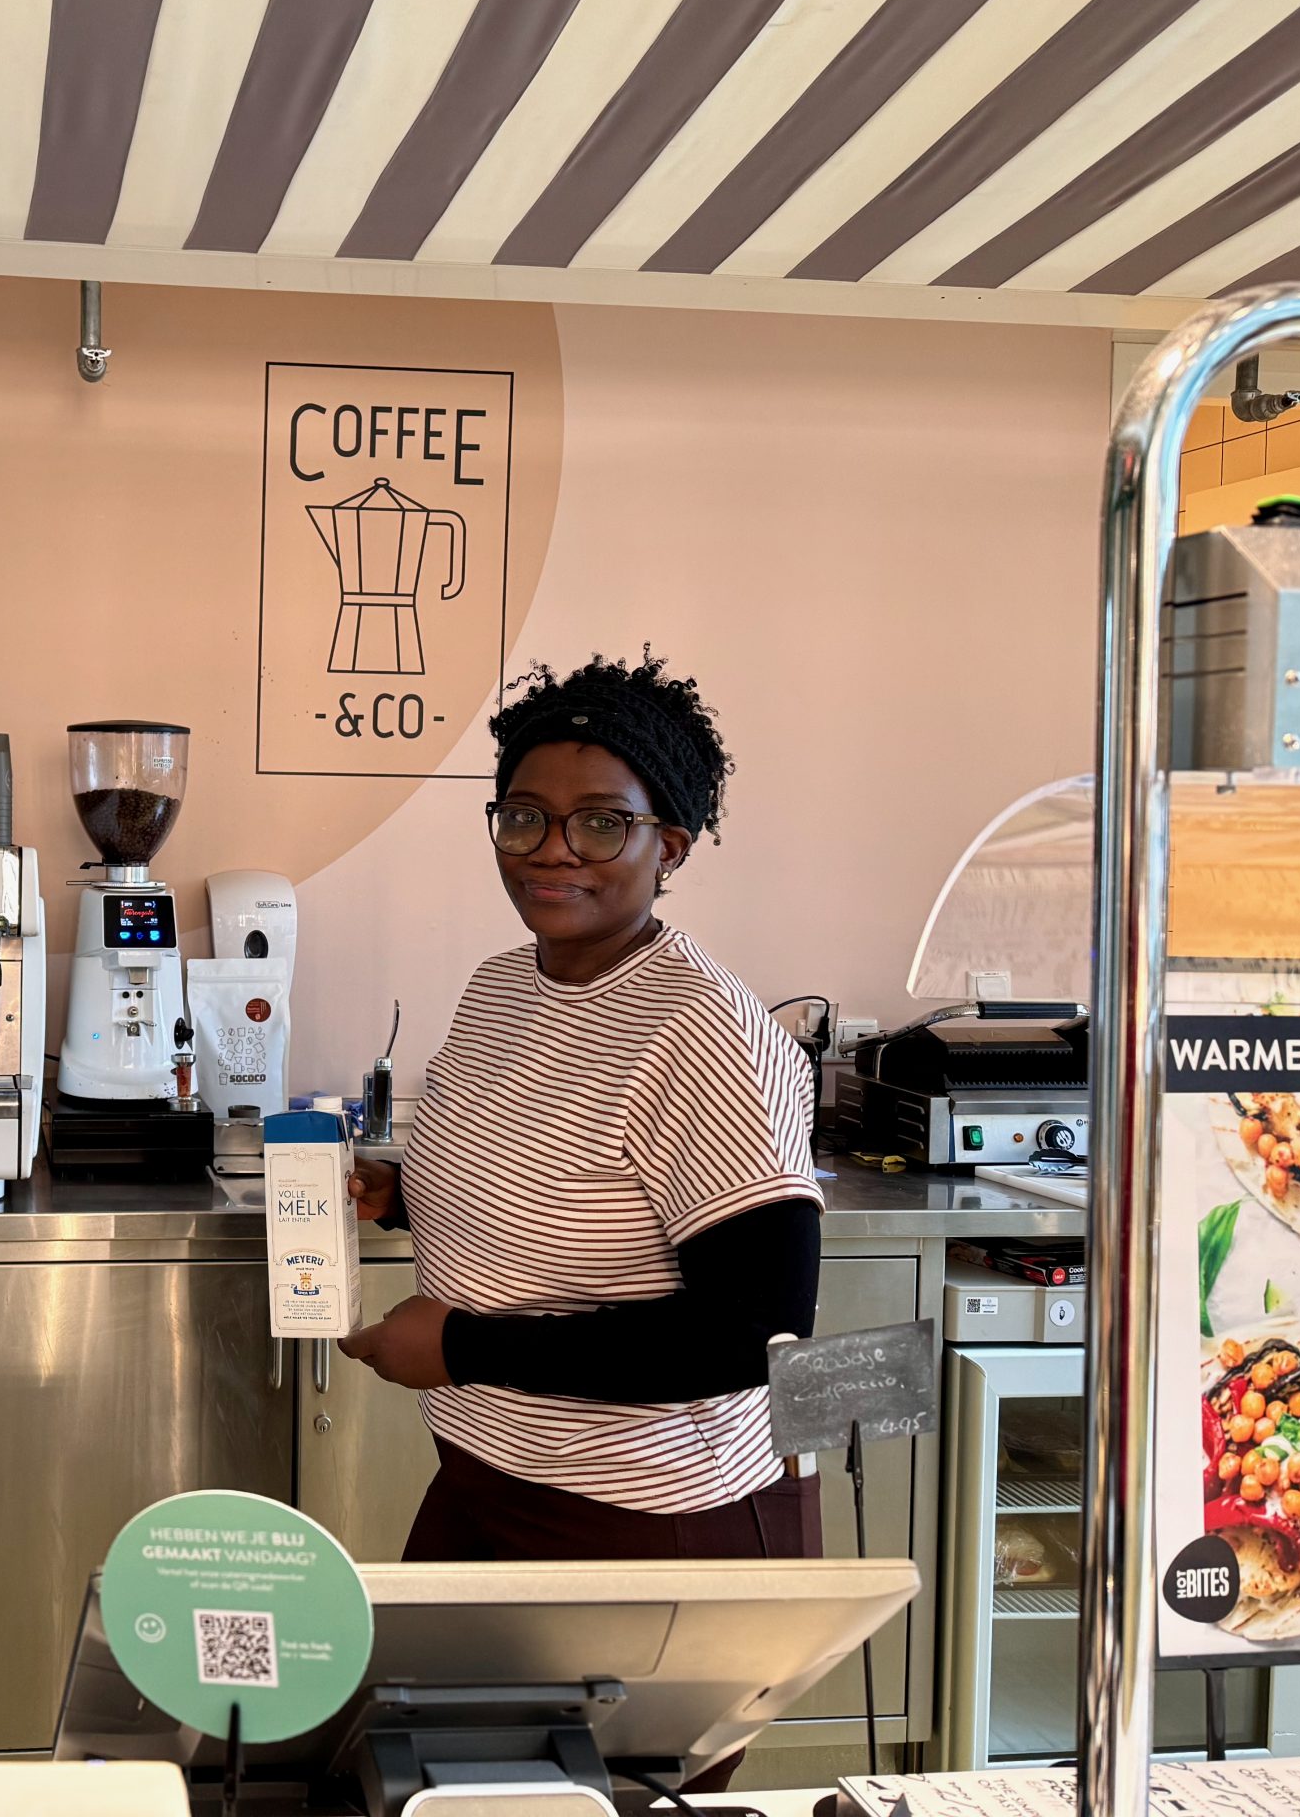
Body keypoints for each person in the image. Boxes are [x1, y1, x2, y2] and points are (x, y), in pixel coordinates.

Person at [339, 654, 823, 1778]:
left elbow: (750, 1328)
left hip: (652, 1524)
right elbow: (553, 1177)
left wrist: (461, 1347)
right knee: (424, 1789)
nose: (554, 849)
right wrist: (408, 1194)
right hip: (485, 1475)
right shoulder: (502, 987)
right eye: (525, 817)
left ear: (672, 845)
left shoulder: (704, 1035)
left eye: (602, 822)